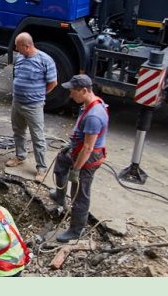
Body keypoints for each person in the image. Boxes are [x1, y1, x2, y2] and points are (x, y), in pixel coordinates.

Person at [51, 74, 109, 242]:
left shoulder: (94, 115)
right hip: (79, 149)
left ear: (84, 90)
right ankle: (60, 196)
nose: (70, 95)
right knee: (61, 160)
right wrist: (71, 144)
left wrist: (76, 169)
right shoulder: (89, 103)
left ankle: (76, 230)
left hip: (87, 158)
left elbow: (89, 148)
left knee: (79, 193)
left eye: (73, 91)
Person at [5, 32, 57, 182]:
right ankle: (20, 156)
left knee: (37, 136)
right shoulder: (20, 57)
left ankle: (41, 168)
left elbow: (53, 82)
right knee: (18, 131)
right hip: (17, 102)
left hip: (34, 105)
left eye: (17, 46)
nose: (15, 49)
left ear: (26, 46)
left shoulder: (45, 60)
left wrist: (40, 94)